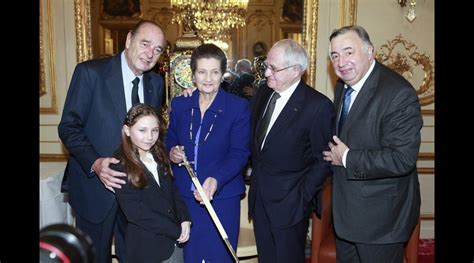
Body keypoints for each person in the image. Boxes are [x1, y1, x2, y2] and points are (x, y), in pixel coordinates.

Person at [58, 19, 166, 262]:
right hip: (96, 189)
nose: (150, 54)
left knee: (136, 257)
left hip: (137, 191)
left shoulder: (156, 83)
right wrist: (96, 163)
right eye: (145, 44)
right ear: (129, 40)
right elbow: (68, 127)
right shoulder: (90, 73)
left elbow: (151, 133)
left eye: (158, 49)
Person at [322, 25, 422, 263]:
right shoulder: (343, 85)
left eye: (348, 52)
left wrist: (346, 158)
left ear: (370, 52)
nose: (341, 62)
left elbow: (402, 159)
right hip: (347, 216)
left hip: (381, 223)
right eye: (335, 55)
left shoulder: (398, 93)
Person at [247, 39, 335, 263]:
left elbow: (324, 160)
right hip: (259, 200)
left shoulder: (318, 106)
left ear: (296, 71)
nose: (267, 73)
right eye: (266, 66)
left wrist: (301, 197)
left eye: (273, 68)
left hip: (291, 205)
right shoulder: (263, 94)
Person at [166, 43, 250, 263]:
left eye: (214, 72)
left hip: (222, 198)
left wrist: (216, 180)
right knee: (190, 257)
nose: (208, 78)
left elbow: (240, 153)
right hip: (186, 198)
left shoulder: (237, 107)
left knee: (220, 257)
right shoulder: (181, 104)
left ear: (223, 74)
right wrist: (172, 152)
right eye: (202, 72)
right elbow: (170, 141)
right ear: (193, 74)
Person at [111, 103, 192, 263]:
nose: (150, 137)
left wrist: (185, 219)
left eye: (154, 130)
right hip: (147, 248)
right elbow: (136, 213)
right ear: (127, 130)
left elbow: (173, 191)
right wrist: (174, 230)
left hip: (174, 243)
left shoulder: (159, 155)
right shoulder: (119, 164)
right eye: (142, 130)